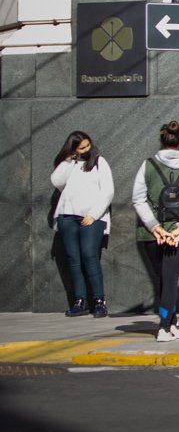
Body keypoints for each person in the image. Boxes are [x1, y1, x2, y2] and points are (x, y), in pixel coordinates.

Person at [132, 121, 179, 342]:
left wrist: (155, 228)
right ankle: (164, 327)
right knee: (169, 279)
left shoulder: (147, 165)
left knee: (163, 279)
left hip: (150, 234)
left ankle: (173, 323)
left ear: (161, 141)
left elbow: (138, 200)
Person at [50, 131, 114, 318]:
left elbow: (108, 191)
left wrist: (94, 215)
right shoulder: (70, 163)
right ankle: (80, 301)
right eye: (81, 148)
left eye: (88, 146)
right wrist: (69, 160)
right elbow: (56, 181)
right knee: (73, 258)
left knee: (89, 256)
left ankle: (99, 301)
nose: (87, 150)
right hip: (67, 216)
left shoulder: (99, 162)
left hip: (92, 217)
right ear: (73, 149)